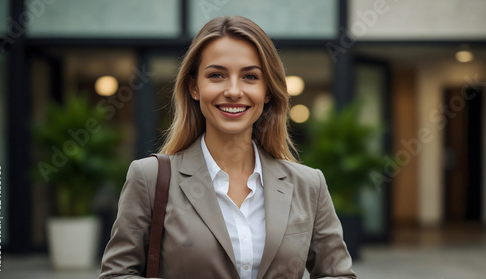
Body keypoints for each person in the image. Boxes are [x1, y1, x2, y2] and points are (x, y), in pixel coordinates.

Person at [100, 16, 356, 279]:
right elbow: (116, 274)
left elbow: (339, 274)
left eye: (250, 76)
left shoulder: (308, 185)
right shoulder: (150, 178)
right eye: (216, 75)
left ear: (267, 91)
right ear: (194, 87)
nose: (234, 91)